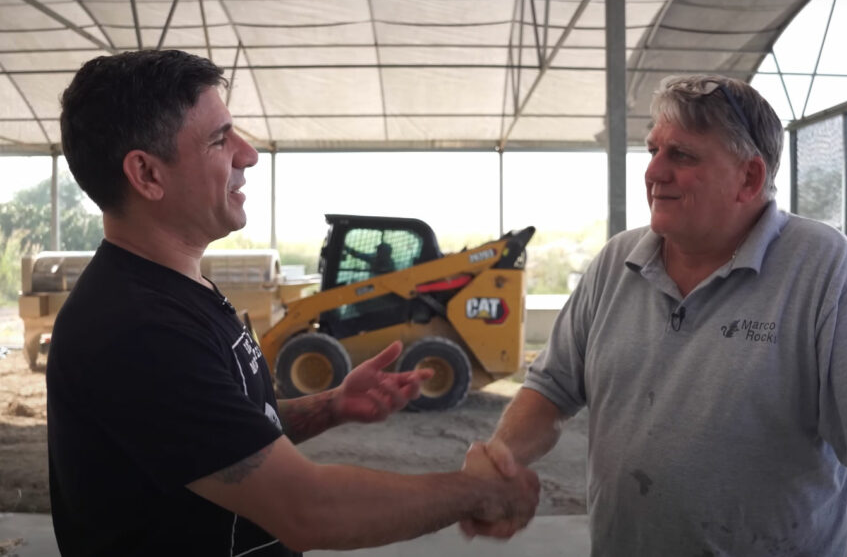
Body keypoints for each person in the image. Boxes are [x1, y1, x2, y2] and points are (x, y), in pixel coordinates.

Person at [47, 49, 539, 556]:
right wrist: (479, 492)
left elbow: (224, 435)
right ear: (147, 175)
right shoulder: (137, 328)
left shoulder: (179, 293)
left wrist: (332, 404)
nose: (249, 154)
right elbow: (308, 510)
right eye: (220, 139)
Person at [462, 74, 847, 556]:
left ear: (749, 177)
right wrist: (499, 462)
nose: (654, 171)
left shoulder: (820, 267)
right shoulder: (618, 262)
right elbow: (550, 391)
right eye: (655, 149)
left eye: (681, 154)